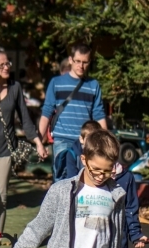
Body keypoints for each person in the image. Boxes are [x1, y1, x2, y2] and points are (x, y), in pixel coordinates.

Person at [0, 50, 47, 238]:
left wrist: (38, 142)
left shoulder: (15, 87)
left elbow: (25, 118)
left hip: (5, 149)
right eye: (1, 65)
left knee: (1, 198)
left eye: (8, 64)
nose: (6, 67)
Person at [39, 44, 107, 174]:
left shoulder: (93, 85)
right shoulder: (56, 83)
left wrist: (105, 142)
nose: (81, 65)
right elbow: (47, 112)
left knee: (85, 179)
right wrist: (39, 142)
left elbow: (98, 114)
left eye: (85, 62)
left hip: (85, 141)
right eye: (78, 61)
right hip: (62, 140)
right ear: (71, 60)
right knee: (62, 179)